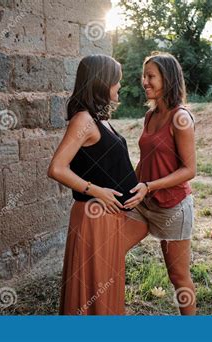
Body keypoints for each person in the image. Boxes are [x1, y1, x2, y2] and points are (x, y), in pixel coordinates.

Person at [47, 54, 148, 315]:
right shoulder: (83, 120)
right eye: (117, 81)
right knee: (94, 291)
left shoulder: (100, 118)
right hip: (94, 218)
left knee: (105, 287)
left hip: (109, 216)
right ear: (102, 82)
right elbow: (57, 168)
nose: (120, 87)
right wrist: (96, 191)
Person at [124, 52, 197, 315]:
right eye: (144, 76)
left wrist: (150, 185)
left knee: (178, 277)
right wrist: (128, 186)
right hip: (144, 203)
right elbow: (145, 161)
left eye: (151, 76)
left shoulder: (181, 118)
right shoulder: (149, 116)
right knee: (110, 249)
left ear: (167, 79)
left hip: (173, 207)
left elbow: (190, 170)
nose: (145, 81)